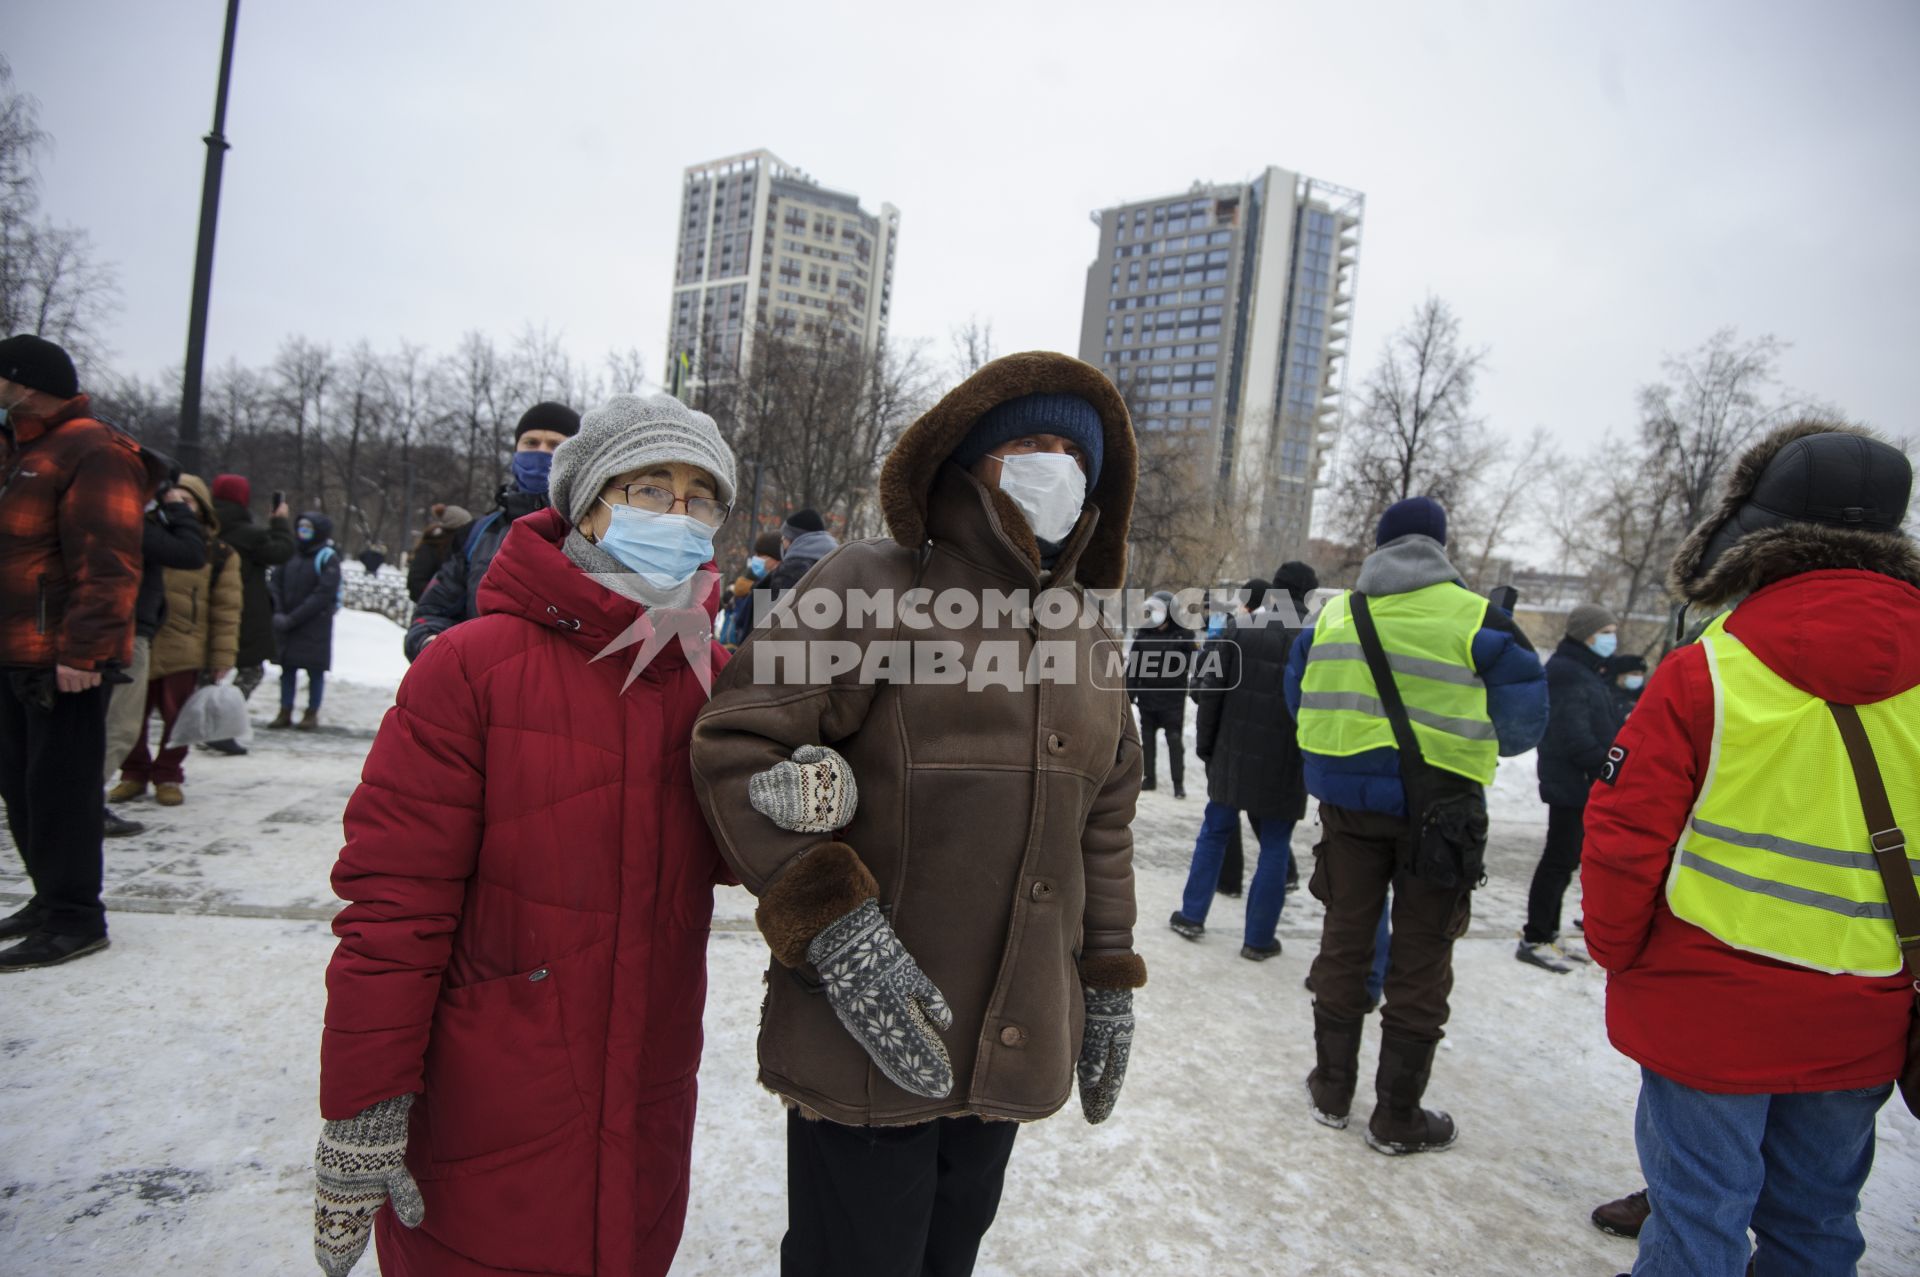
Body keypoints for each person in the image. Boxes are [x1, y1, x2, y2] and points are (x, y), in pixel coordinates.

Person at [691, 353, 1144, 1276]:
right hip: (865, 1026)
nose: (1052, 464)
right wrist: (835, 926)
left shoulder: (1090, 634)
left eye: (1071, 450)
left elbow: (1105, 822)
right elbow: (737, 746)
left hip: (1011, 1032)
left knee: (947, 1258)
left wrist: (1106, 979)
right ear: (971, 459)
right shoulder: (872, 585)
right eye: (1029, 442)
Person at [314, 393, 737, 1277]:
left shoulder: (713, 681)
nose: (678, 515)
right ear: (588, 505)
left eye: (701, 498)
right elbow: (393, 906)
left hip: (647, 1101)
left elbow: (744, 852)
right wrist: (366, 1106)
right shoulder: (469, 669)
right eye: (651, 487)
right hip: (489, 1102)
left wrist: (798, 792)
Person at [1583, 421, 1918, 1277]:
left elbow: (1626, 834)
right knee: (1817, 1226)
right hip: (1862, 1013)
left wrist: (1620, 951)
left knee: (1697, 1225)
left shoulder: (1709, 670)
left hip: (1708, 1007)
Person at [1287, 495, 1547, 1153]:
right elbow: (1524, 725)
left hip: (1348, 809)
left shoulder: (1333, 615)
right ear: (1440, 546)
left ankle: (1332, 1086)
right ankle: (1397, 1115)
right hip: (1442, 810)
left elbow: (1300, 696)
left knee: (1345, 937)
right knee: (1422, 955)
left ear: (1378, 545)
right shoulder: (1482, 618)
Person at [0, 333, 152, 971]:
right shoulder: (23, 448)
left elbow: (109, 561)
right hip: (14, 650)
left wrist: (83, 654)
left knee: (60, 787)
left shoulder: (93, 449)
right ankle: (47, 896)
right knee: (19, 785)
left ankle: (76, 915)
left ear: (24, 382)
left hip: (62, 657)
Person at [1170, 565, 1316, 961]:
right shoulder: (1317, 638)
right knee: (1274, 846)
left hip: (1231, 755)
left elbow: (1210, 693)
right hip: (1288, 763)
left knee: (1214, 832)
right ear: (1310, 594)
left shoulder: (1240, 628)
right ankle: (1257, 939)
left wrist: (1206, 747)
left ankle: (1191, 915)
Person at [405, 403, 579, 660]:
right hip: (482, 685)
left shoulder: (593, 532)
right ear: (516, 450)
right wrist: (432, 643)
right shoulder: (476, 534)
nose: (542, 453)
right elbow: (432, 611)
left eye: (555, 445)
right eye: (531, 442)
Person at [106, 475, 240, 808]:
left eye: (188, 501)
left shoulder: (217, 552)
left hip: (185, 645)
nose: (178, 506)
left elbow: (227, 609)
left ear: (202, 506)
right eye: (172, 499)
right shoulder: (148, 538)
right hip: (141, 639)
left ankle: (168, 774)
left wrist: (222, 655)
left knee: (179, 718)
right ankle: (133, 773)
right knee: (128, 713)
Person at [1518, 601, 1624, 973]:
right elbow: (1572, 734)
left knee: (1564, 861)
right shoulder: (1568, 672)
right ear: (1586, 635)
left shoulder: (1584, 670)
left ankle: (1546, 932)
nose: (1613, 639)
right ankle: (1535, 936)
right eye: (1606, 633)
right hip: (1573, 781)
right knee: (1558, 861)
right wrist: (1607, 765)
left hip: (1581, 782)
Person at [101, 475, 207, 832]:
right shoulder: (128, 519)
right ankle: (94, 794)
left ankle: (167, 774)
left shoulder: (210, 547)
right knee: (122, 723)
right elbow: (186, 551)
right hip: (130, 633)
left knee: (170, 718)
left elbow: (223, 606)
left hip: (176, 643)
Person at [205, 473, 295, 749]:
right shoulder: (249, 535)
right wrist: (279, 521)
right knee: (251, 670)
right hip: (244, 614)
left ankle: (200, 725)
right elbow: (281, 551)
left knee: (206, 671)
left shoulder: (202, 528)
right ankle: (218, 727)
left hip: (205, 610)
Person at [269, 513, 341, 730]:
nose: (303, 532)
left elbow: (323, 594)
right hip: (288, 622)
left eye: (308, 528)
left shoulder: (327, 557)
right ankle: (285, 710)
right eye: (301, 527)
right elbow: (275, 583)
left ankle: (311, 713)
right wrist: (278, 611)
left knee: (315, 671)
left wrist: (292, 617)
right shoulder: (291, 553)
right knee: (287, 669)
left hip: (314, 624)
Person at [1127, 589, 1193, 796]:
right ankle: (1150, 778)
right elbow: (1133, 666)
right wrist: (1130, 692)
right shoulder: (1144, 634)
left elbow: (1194, 664)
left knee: (1174, 740)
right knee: (1147, 740)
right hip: (1147, 697)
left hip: (1172, 699)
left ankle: (1178, 783)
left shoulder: (1183, 636)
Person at [721, 530, 781, 646]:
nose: (756, 559)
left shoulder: (773, 590)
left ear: (776, 560)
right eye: (756, 554)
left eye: (761, 556)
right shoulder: (744, 587)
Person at [405, 504, 472, 604]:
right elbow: (416, 582)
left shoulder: (461, 548)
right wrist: (440, 598)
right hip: (432, 610)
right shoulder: (432, 547)